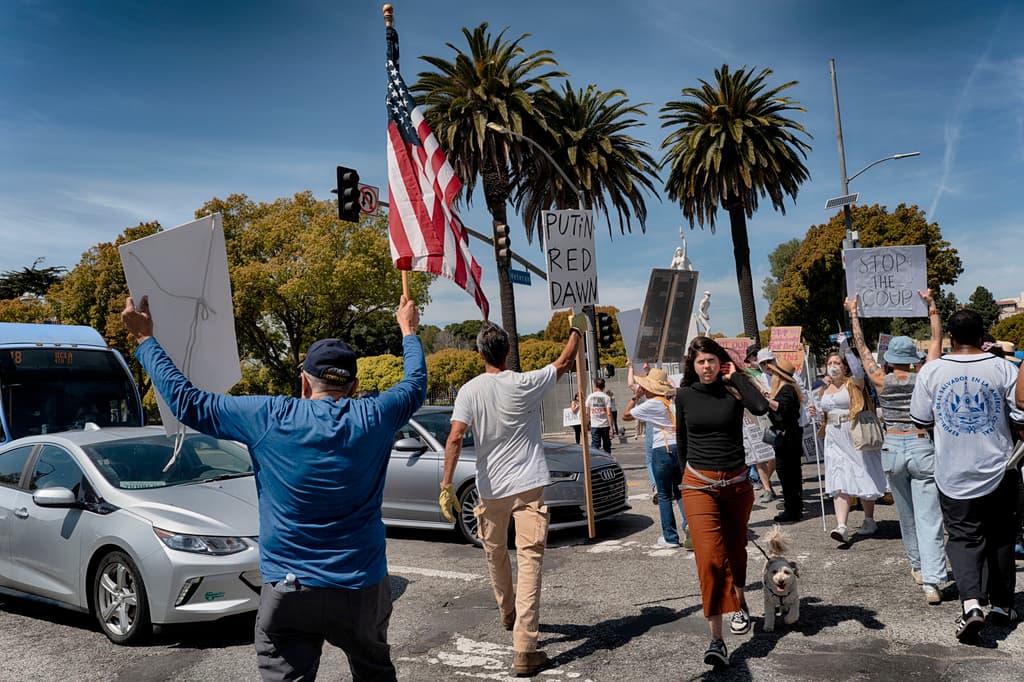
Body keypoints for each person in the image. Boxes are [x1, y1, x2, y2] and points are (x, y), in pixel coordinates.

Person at [121, 294, 425, 682]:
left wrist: (145, 339)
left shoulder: (268, 416)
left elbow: (188, 403)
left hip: (289, 588)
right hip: (360, 586)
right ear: (354, 385)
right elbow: (416, 382)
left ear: (304, 382)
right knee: (374, 671)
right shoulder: (376, 416)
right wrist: (408, 331)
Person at [439, 316, 583, 677]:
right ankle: (525, 647)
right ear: (508, 352)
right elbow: (565, 361)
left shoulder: (470, 390)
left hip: (491, 488)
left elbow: (455, 437)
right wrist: (577, 329)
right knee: (530, 560)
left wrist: (445, 485)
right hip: (529, 484)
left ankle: (507, 612)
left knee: (495, 553)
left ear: (478, 353)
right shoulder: (524, 383)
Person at [910, 308, 1024, 642]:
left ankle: (972, 602)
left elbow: (920, 419)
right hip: (1000, 468)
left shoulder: (931, 372)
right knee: (1001, 537)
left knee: (962, 538)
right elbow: (1019, 414)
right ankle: (1002, 605)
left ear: (951, 337)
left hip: (953, 471)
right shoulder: (1004, 367)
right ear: (981, 336)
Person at [846, 291, 946, 604]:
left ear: (890, 360)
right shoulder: (925, 375)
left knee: (907, 515)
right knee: (930, 516)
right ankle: (933, 580)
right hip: (920, 444)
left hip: (892, 446)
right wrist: (931, 307)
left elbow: (861, 350)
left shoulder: (879, 379)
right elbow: (935, 342)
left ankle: (917, 566)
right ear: (913, 360)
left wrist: (854, 313)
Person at [675, 336, 769, 667]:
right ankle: (716, 639)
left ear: (721, 362)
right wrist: (680, 486)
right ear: (693, 365)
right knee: (710, 559)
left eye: (712, 360)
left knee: (735, 549)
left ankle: (740, 604)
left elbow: (760, 407)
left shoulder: (733, 390)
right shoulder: (684, 395)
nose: (707, 367)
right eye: (701, 362)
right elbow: (682, 441)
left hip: (737, 485)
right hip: (698, 486)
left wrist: (737, 376)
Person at [808, 349, 887, 545]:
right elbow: (823, 416)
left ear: (844, 367)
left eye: (837, 362)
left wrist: (845, 347)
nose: (833, 366)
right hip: (833, 438)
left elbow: (859, 372)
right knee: (838, 476)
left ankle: (869, 520)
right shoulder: (822, 390)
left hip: (853, 433)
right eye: (830, 363)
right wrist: (816, 414)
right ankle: (841, 526)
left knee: (862, 471)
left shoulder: (853, 384)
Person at [623, 367, 690, 549]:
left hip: (663, 449)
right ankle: (689, 525)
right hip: (678, 448)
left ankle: (670, 536)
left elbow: (626, 415)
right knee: (679, 491)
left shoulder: (653, 403)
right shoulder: (670, 403)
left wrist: (635, 396)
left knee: (663, 495)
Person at [762, 358, 806, 523]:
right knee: (790, 472)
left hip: (788, 437)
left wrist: (767, 401)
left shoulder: (787, 389)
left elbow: (783, 407)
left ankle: (792, 508)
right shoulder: (787, 388)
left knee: (787, 472)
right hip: (788, 436)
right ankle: (794, 506)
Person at [745, 346, 778, 503]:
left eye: (767, 361)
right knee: (760, 455)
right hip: (758, 418)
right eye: (757, 360)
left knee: (775, 454)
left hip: (775, 418)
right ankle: (766, 487)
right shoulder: (749, 377)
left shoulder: (779, 375)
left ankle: (767, 481)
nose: (764, 364)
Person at [586, 377, 614, 453]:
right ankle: (608, 461)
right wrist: (611, 427)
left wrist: (587, 423)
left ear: (595, 386)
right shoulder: (607, 397)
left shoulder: (590, 397)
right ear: (604, 387)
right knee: (607, 445)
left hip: (595, 425)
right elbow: (608, 413)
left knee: (595, 445)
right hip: (605, 425)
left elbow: (587, 413)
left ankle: (595, 460)